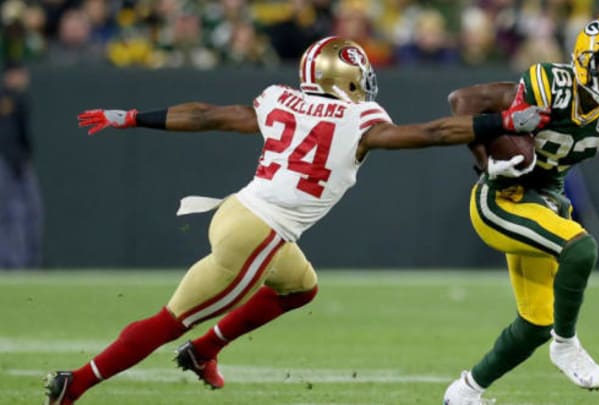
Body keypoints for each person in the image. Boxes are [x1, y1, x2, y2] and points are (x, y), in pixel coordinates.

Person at [44, 36, 549, 404]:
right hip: (261, 231)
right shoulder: (361, 120)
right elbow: (436, 132)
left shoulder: (279, 99)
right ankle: (77, 383)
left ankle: (204, 352)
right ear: (344, 76)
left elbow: (206, 116)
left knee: (299, 288)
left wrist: (133, 116)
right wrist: (500, 122)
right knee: (169, 319)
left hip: (238, 212)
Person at [442, 17, 599, 405]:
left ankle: (465, 393)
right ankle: (567, 344)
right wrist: (485, 159)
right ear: (586, 60)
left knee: (536, 322)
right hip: (502, 198)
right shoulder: (550, 84)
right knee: (581, 247)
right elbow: (462, 101)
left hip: (545, 201)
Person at [0, 60, 43, 269]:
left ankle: (28, 263)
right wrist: (14, 160)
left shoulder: (20, 98)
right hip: (7, 163)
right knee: (10, 214)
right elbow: (6, 135)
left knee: (31, 213)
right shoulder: (5, 98)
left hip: (20, 162)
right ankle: (12, 264)